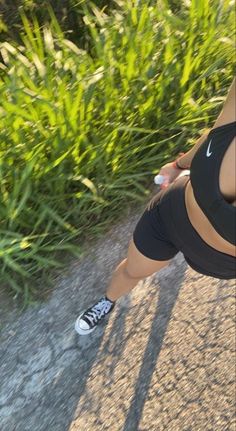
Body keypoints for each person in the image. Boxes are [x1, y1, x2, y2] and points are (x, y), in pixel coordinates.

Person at [74, 77, 236, 336]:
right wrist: (179, 165)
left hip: (219, 261)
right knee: (131, 270)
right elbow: (215, 135)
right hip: (171, 216)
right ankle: (108, 301)